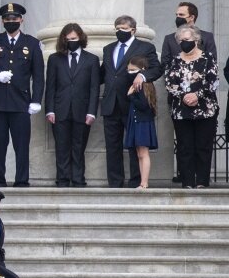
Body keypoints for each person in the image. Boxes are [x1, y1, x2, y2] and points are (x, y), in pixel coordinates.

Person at [0, 3, 43, 187]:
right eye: (7, 19)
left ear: (21, 20)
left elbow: (38, 76)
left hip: (21, 103)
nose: (11, 22)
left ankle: (22, 180)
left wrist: (36, 100)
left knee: (21, 146)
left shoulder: (31, 43)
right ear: (2, 21)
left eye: (14, 19)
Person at [99, 15, 159, 188]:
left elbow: (156, 68)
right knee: (112, 146)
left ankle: (136, 182)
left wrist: (142, 75)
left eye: (123, 29)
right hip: (111, 103)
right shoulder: (108, 48)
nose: (120, 32)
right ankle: (115, 183)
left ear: (133, 30)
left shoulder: (145, 47)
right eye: (117, 29)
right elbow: (105, 73)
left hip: (134, 103)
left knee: (135, 145)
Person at [42, 23, 100, 188]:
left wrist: (91, 112)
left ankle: (78, 178)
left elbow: (94, 88)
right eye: (67, 39)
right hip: (60, 110)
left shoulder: (92, 59)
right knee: (61, 147)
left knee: (79, 146)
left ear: (80, 38)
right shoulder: (55, 59)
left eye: (73, 39)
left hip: (82, 110)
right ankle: (62, 179)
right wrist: (50, 109)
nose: (71, 42)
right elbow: (51, 87)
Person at [164, 26, 220, 189]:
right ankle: (187, 182)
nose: (183, 43)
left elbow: (213, 81)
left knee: (203, 146)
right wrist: (183, 96)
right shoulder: (175, 60)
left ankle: (202, 181)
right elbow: (169, 83)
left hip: (205, 109)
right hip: (181, 110)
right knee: (184, 146)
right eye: (180, 41)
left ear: (196, 41)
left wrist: (197, 95)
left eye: (186, 40)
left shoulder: (208, 58)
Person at [125, 55, 159, 189]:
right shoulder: (136, 84)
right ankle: (142, 182)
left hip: (143, 123)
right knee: (139, 154)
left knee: (143, 153)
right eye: (129, 70)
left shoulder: (144, 85)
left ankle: (144, 182)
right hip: (136, 122)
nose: (130, 73)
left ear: (143, 70)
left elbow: (144, 106)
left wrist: (131, 96)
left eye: (133, 70)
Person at [162, 1, 217, 68]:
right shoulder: (169, 39)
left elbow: (212, 61)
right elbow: (165, 64)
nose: (178, 17)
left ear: (192, 17)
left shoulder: (207, 37)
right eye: (177, 15)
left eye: (181, 15)